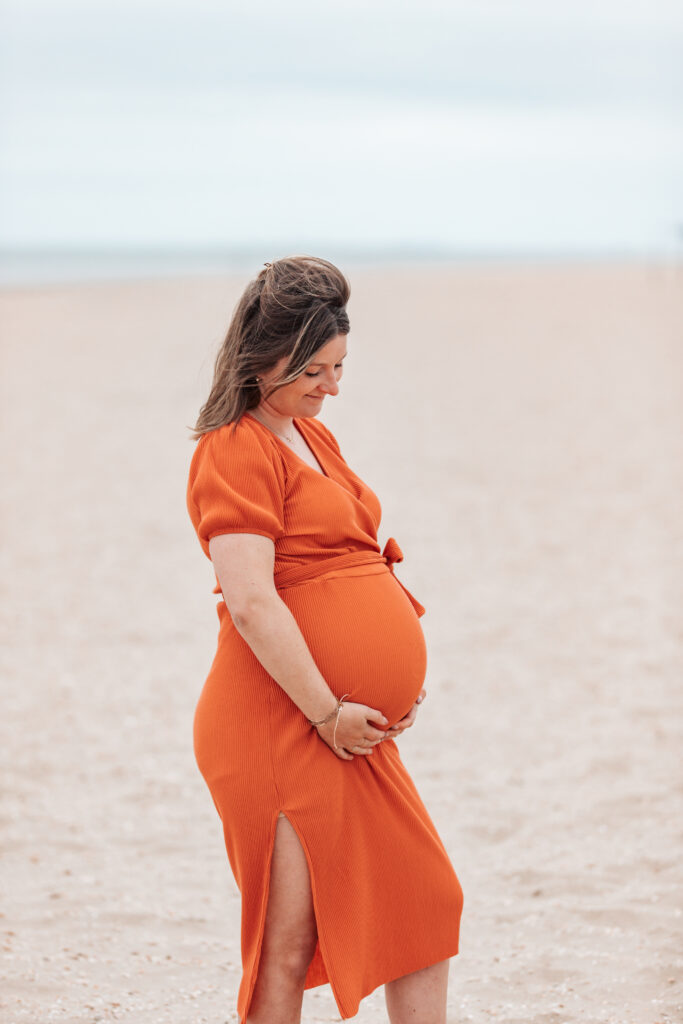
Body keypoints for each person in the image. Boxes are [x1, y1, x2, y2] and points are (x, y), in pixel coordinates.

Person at [186, 255, 463, 1024]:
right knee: (287, 938)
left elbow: (343, 566)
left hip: (342, 723)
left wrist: (386, 675)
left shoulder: (313, 436)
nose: (332, 386)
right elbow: (250, 600)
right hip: (279, 722)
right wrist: (325, 709)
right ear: (261, 356)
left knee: (424, 899)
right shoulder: (233, 447)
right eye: (314, 369)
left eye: (339, 367)